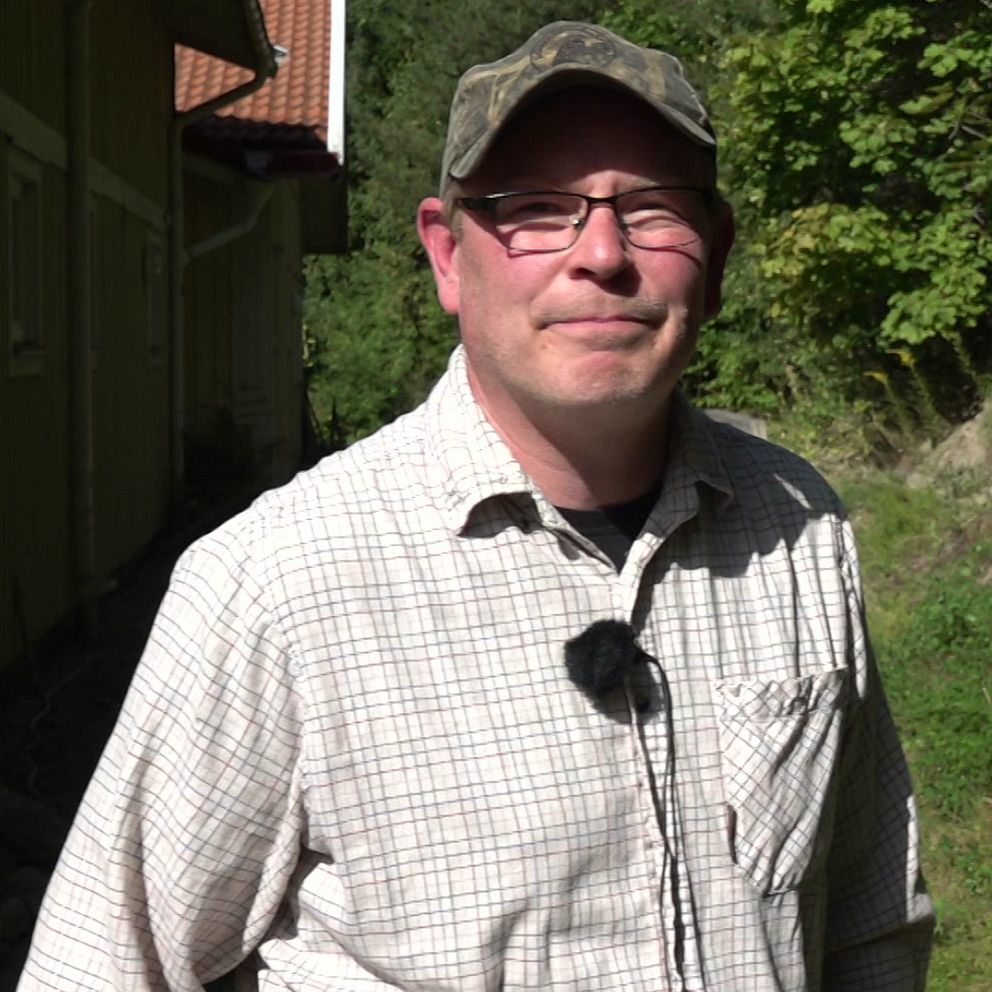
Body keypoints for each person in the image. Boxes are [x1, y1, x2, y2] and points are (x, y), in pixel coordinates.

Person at [19, 21, 933, 992]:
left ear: (715, 253)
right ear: (447, 256)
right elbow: (98, 968)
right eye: (536, 209)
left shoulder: (800, 530)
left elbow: (871, 920)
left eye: (653, 208)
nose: (602, 253)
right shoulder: (278, 583)